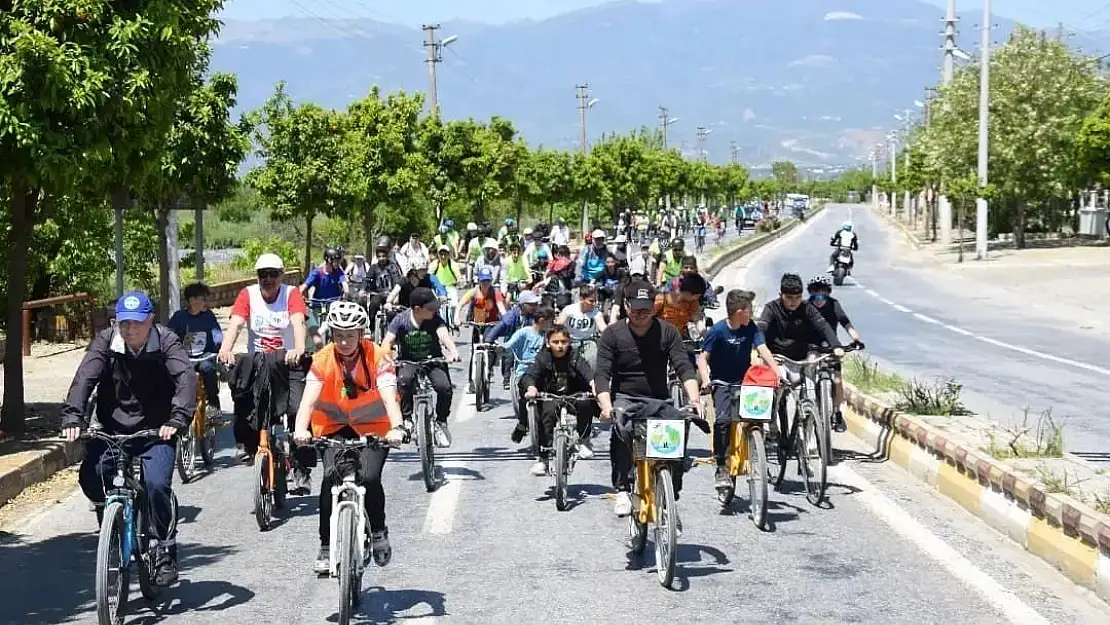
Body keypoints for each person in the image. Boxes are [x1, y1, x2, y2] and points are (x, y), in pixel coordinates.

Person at [62, 290, 196, 586]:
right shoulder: (107, 341)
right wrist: (73, 415)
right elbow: (85, 377)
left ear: (150, 320)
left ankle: (163, 546)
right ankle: (109, 521)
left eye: (137, 322)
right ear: (115, 322)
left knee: (157, 485)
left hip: (157, 429)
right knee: (91, 477)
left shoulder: (167, 341)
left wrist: (178, 419)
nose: (130, 329)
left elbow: (185, 378)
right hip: (112, 428)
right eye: (124, 323)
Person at [291, 301, 406, 573]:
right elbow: (307, 402)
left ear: (361, 334)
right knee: (330, 478)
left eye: (350, 335)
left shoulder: (378, 356)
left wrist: (397, 427)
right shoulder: (322, 360)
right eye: (338, 335)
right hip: (333, 428)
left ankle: (378, 531)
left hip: (376, 428)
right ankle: (325, 545)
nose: (344, 341)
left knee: (369, 477)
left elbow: (390, 396)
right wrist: (300, 429)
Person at [594, 279, 703, 517]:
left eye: (647, 308)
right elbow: (602, 374)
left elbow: (684, 367)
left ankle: (671, 487)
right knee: (621, 430)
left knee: (680, 423)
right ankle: (623, 488)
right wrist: (606, 406)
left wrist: (694, 400)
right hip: (625, 398)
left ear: (654, 306)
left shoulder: (668, 332)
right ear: (625, 305)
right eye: (636, 308)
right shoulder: (612, 335)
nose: (642, 314)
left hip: (659, 399)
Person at [220, 254, 312, 493]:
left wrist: (299, 348)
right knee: (245, 397)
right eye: (263, 275)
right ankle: (248, 445)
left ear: (281, 275)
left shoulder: (290, 294)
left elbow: (298, 322)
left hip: (288, 360)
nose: (268, 279)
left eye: (273, 274)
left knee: (298, 409)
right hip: (259, 361)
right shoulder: (247, 294)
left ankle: (302, 467)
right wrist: (226, 349)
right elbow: (236, 324)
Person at [697, 289, 780, 488]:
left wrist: (776, 371)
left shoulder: (750, 327)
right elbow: (702, 359)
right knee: (723, 421)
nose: (752, 313)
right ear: (739, 311)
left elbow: (763, 350)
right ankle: (721, 466)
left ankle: (760, 448)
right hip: (722, 383)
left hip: (745, 381)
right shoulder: (717, 331)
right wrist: (706, 380)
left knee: (757, 413)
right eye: (749, 310)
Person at [757, 273, 843, 444]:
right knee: (775, 384)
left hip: (801, 360)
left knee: (811, 381)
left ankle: (810, 424)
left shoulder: (807, 308)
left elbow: (823, 326)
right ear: (780, 294)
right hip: (778, 358)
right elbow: (761, 328)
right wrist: (758, 349)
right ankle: (771, 425)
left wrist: (837, 346)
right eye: (789, 297)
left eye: (797, 297)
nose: (793, 302)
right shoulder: (771, 308)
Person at [381, 288, 459, 448]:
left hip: (433, 360)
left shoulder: (435, 319)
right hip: (408, 360)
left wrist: (453, 352)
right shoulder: (400, 320)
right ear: (417, 309)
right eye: (431, 308)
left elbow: (444, 335)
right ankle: (407, 419)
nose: (435, 310)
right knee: (404, 381)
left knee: (444, 387)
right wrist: (386, 357)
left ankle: (441, 422)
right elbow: (387, 341)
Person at [521, 325, 598, 474]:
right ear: (548, 343)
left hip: (573, 395)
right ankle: (543, 459)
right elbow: (530, 374)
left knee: (585, 403)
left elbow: (586, 370)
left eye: (564, 341)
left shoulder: (574, 355)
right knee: (546, 415)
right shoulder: (543, 357)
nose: (560, 346)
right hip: (550, 396)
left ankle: (584, 440)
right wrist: (531, 388)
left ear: (569, 342)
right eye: (556, 342)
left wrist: (593, 384)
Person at [807, 275, 864, 432]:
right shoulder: (806, 306)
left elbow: (846, 323)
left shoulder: (834, 305)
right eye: (814, 294)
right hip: (812, 347)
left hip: (833, 347)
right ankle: (808, 402)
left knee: (837, 380)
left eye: (822, 294)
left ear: (828, 293)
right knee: (810, 366)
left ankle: (837, 412)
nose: (818, 299)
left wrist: (856, 339)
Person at [167, 282, 223, 414]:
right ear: (192, 300)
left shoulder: (208, 316)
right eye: (204, 299)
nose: (206, 302)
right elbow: (169, 335)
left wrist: (219, 343)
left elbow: (216, 333)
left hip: (205, 356)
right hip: (186, 358)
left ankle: (214, 405)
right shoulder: (179, 317)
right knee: (177, 375)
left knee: (207, 369)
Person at [506, 305, 557, 445]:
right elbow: (509, 344)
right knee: (524, 396)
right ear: (541, 320)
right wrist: (498, 349)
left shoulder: (549, 335)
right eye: (550, 321)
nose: (552, 324)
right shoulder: (524, 332)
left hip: (543, 372)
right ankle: (523, 423)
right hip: (525, 372)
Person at [655, 272, 708, 340]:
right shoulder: (661, 300)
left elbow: (697, 320)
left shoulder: (692, 303)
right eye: (697, 296)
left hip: (678, 340)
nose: (697, 298)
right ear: (690, 293)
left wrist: (706, 336)